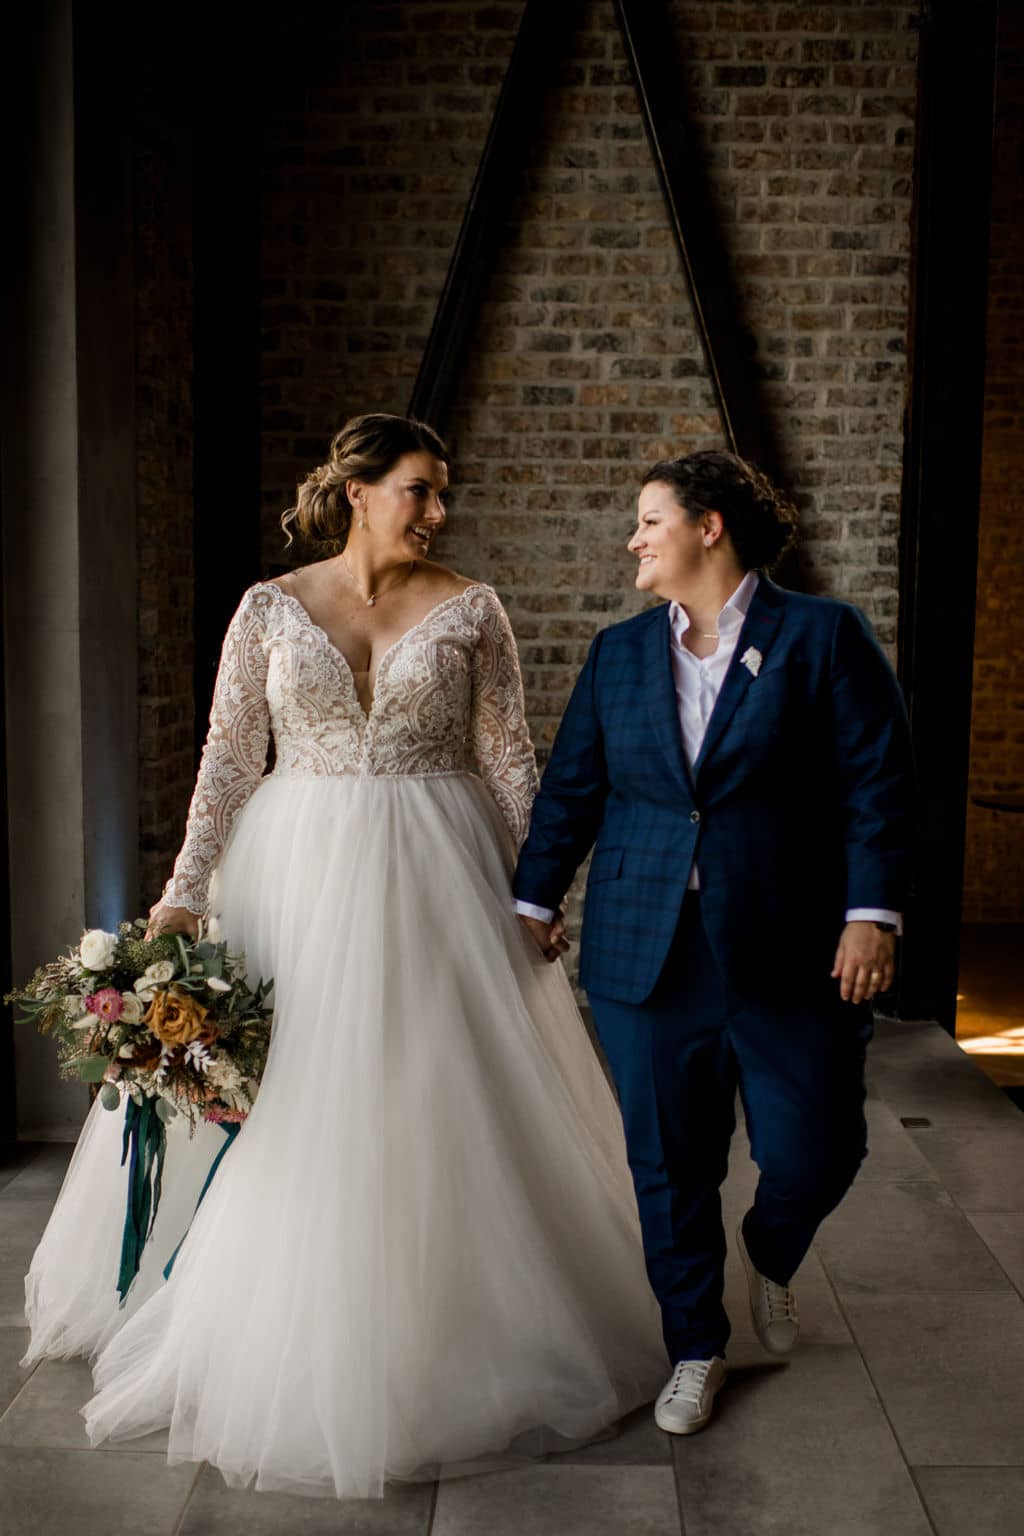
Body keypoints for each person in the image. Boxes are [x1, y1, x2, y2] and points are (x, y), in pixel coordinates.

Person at [29, 414, 667, 1497]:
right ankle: (284, 1309)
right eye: (419, 489)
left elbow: (511, 759)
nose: (437, 510)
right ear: (358, 490)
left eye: (442, 492)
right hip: (296, 874)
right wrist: (185, 897)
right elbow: (228, 758)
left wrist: (533, 890)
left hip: (440, 870)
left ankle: (450, 1313)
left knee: (433, 1083)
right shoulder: (271, 609)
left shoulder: (472, 608)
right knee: (296, 1090)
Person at [514, 450, 913, 1436]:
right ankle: (695, 1347)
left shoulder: (823, 637)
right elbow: (571, 790)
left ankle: (769, 1251)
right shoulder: (616, 655)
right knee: (668, 1162)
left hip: (792, 943)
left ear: (708, 527)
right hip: (644, 949)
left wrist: (870, 915)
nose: (633, 539)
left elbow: (878, 786)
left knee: (817, 1145)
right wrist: (532, 901)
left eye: (650, 520)